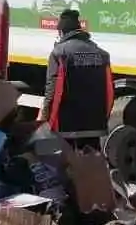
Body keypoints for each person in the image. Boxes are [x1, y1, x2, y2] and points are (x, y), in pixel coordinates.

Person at [42, 10, 114, 149]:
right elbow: (109, 92)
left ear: (62, 31)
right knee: (91, 164)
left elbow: (53, 91)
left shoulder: (59, 54)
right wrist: (103, 118)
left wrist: (47, 119)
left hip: (67, 127)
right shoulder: (102, 54)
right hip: (94, 126)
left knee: (68, 167)